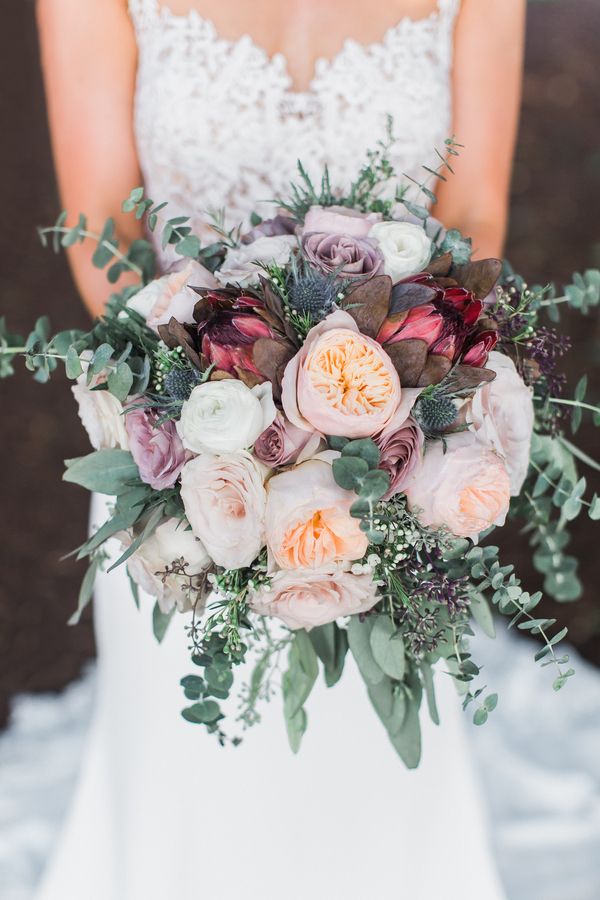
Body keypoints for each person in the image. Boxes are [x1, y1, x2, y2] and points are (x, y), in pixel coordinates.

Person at [35, 2, 525, 897]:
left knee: (377, 789)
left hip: (391, 452)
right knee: (192, 794)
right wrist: (210, 407)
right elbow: (97, 220)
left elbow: (474, 206)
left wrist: (388, 411)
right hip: (186, 451)